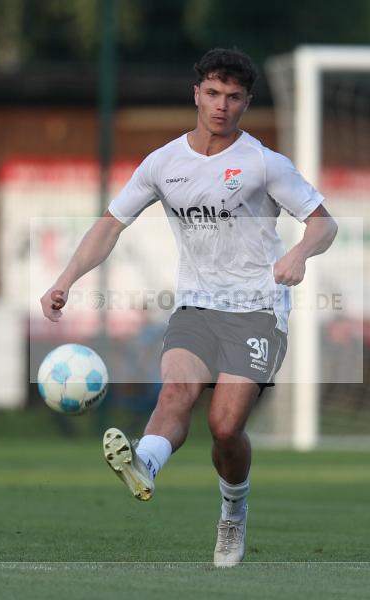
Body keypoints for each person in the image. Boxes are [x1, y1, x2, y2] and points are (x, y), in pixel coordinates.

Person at [40, 48, 338, 567]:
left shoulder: (264, 163)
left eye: (234, 97)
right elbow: (111, 225)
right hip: (196, 307)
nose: (222, 106)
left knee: (224, 426)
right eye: (214, 94)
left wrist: (299, 253)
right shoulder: (162, 164)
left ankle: (233, 512)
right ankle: (144, 464)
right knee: (176, 394)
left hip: (257, 309)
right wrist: (65, 280)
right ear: (196, 94)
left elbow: (324, 223)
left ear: (246, 103)